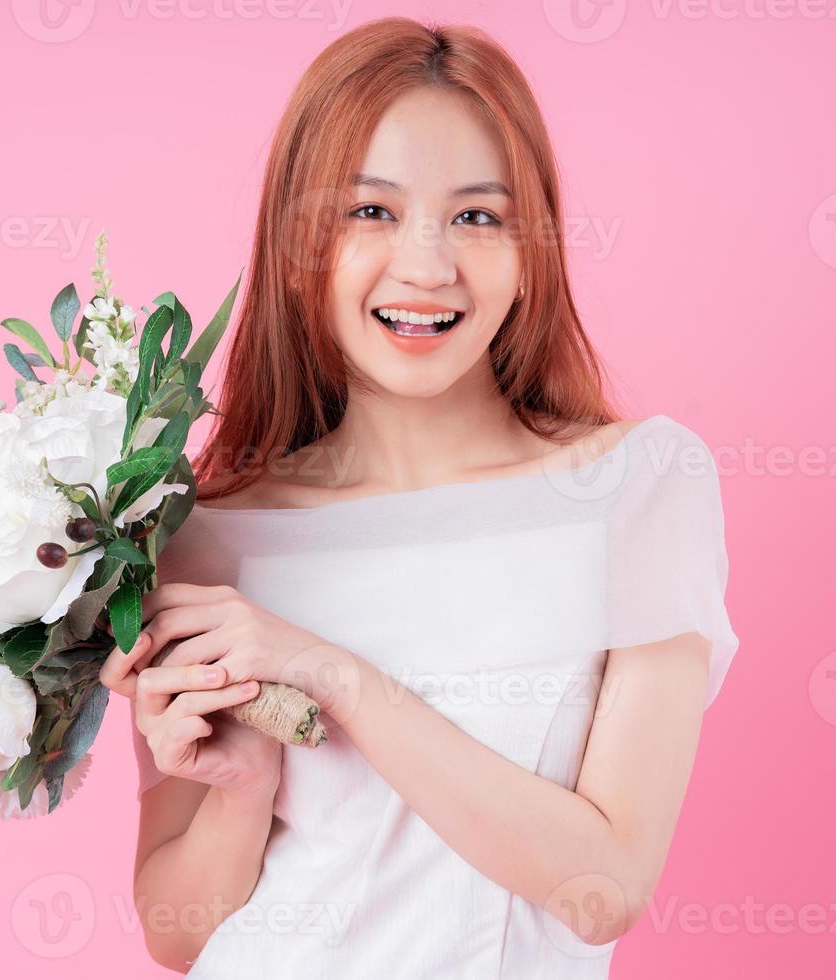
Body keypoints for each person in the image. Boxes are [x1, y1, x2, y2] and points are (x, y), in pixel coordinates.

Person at [98, 16, 740, 978]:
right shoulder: (205, 534)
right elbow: (177, 932)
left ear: (532, 254)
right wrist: (241, 784)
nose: (428, 266)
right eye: (371, 212)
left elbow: (603, 888)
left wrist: (330, 673)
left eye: (478, 217)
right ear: (295, 248)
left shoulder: (634, 490)